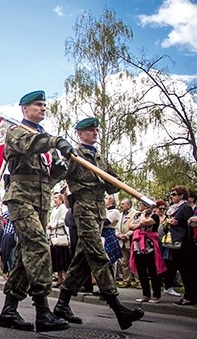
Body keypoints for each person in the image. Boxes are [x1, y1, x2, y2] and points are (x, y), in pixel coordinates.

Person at [53, 117, 144, 331]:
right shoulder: (74, 155)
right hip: (83, 210)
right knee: (97, 255)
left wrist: (112, 182)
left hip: (98, 212)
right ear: (79, 133)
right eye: (90, 130)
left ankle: (62, 304)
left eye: (95, 130)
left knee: (82, 260)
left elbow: (113, 185)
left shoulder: (100, 157)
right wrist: (60, 162)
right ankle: (117, 307)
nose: (94, 133)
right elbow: (58, 175)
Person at [0, 90, 71, 333]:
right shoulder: (17, 132)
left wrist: (59, 171)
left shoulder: (43, 138)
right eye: (38, 105)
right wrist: (55, 141)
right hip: (20, 200)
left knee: (23, 255)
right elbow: (30, 146)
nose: (42, 108)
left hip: (41, 201)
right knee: (39, 247)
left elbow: (47, 180)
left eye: (44, 105)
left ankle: (9, 311)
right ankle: (43, 311)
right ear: (24, 109)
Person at [164, 186, 196, 306]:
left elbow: (190, 227)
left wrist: (189, 245)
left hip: (184, 245)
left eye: (174, 194)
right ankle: (189, 296)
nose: (171, 197)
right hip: (174, 243)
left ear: (181, 195)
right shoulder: (173, 209)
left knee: (187, 272)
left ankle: (189, 297)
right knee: (183, 271)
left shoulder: (185, 207)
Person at [128, 200, 164, 303]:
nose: (138, 205)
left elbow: (144, 223)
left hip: (150, 246)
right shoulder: (137, 215)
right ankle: (146, 294)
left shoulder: (154, 216)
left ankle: (156, 295)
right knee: (141, 270)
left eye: (140, 204)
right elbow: (130, 226)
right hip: (138, 245)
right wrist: (140, 224)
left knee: (153, 271)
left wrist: (141, 220)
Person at [48, 193, 70, 288]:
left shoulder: (63, 208)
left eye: (56, 198)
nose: (55, 200)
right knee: (56, 259)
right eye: (54, 198)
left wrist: (52, 225)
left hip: (60, 235)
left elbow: (63, 220)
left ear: (61, 199)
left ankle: (65, 278)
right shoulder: (54, 209)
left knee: (63, 259)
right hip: (53, 236)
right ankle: (59, 277)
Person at [116, 198, 138, 287]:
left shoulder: (135, 213)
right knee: (124, 262)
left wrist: (127, 235)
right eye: (121, 204)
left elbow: (136, 226)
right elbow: (116, 227)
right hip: (122, 241)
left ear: (129, 205)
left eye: (123, 204)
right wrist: (118, 235)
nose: (121, 206)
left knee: (135, 261)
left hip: (131, 240)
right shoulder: (120, 215)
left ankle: (138, 281)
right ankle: (126, 281)